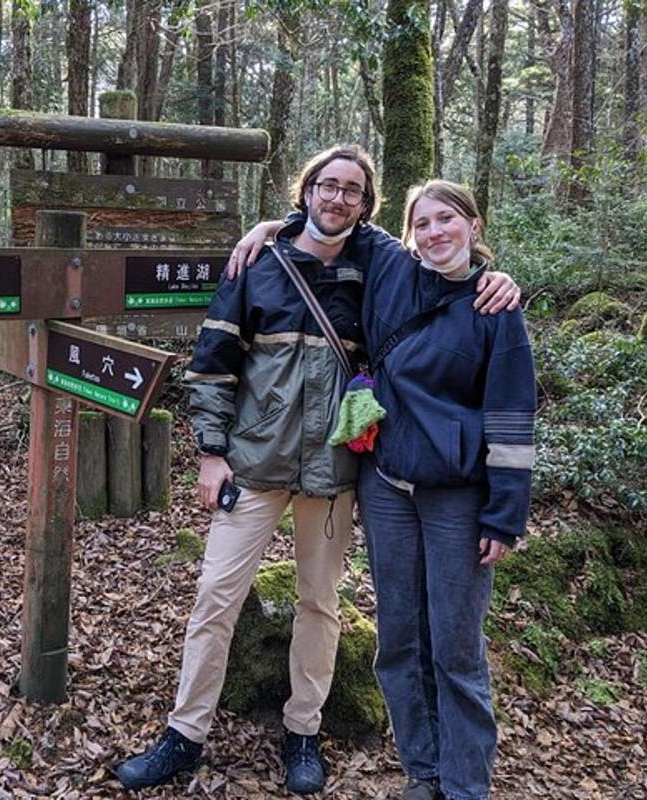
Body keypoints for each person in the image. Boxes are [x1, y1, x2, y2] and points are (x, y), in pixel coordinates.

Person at [114, 146, 520, 795]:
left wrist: (497, 280)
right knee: (215, 596)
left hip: (333, 474)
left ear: (365, 206)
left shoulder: (374, 265)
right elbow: (212, 363)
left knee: (320, 603)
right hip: (252, 463)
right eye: (326, 186)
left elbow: (437, 253)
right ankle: (184, 733)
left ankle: (303, 731)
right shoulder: (258, 263)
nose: (337, 199)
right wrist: (212, 452)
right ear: (306, 191)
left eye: (352, 191)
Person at [227, 180, 535, 800]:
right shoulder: (391, 268)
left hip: (457, 494)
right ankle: (422, 771)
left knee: (455, 645)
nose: (435, 233)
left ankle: (465, 784)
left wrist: (505, 515)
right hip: (388, 485)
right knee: (397, 638)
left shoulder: (496, 308)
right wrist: (270, 228)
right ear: (409, 233)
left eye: (447, 220)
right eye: (423, 223)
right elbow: (330, 215)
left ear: (473, 226)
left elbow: (510, 417)